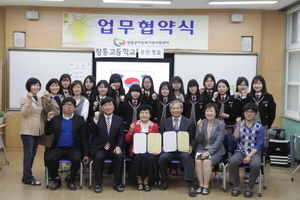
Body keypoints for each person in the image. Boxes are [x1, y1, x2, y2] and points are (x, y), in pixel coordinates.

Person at [44, 97, 89, 191]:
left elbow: (84, 138)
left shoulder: (79, 119)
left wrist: (86, 154)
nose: (69, 107)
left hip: (74, 148)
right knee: (49, 158)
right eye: (67, 105)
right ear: (62, 107)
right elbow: (47, 132)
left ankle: (71, 180)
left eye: (72, 105)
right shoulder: (56, 119)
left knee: (77, 159)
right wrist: (48, 120)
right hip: (58, 147)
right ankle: (56, 179)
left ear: (75, 107)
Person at [158, 100, 197, 197]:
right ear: (170, 110)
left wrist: (191, 146)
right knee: (162, 158)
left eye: (178, 108)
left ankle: (191, 184)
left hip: (183, 150)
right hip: (169, 150)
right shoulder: (164, 122)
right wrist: (161, 146)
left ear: (182, 109)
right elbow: (161, 137)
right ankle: (164, 180)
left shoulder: (189, 122)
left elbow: (194, 138)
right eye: (173, 108)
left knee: (187, 158)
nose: (176, 110)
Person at [89, 98, 125, 193]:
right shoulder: (96, 118)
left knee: (120, 156)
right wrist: (95, 120)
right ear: (102, 107)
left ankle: (117, 183)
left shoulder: (119, 119)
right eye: (105, 105)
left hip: (113, 147)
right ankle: (98, 184)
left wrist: (119, 146)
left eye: (110, 105)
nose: (108, 107)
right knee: (98, 157)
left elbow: (121, 136)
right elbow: (90, 131)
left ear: (114, 106)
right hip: (100, 147)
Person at [229, 103, 264, 198]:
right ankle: (236, 187)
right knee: (232, 162)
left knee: (256, 164)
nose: (249, 114)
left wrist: (249, 156)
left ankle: (249, 188)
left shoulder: (259, 127)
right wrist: (238, 126)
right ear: (243, 113)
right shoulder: (238, 124)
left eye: (251, 112)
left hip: (254, 153)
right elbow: (235, 139)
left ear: (256, 114)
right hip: (240, 151)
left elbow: (259, 145)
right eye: (247, 112)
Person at [125, 104, 160, 192]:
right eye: (142, 113)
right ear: (139, 114)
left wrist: (156, 149)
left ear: (150, 115)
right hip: (137, 150)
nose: (144, 115)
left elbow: (157, 139)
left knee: (151, 158)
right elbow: (128, 140)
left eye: (146, 113)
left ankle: (146, 181)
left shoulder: (154, 125)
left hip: (150, 150)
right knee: (137, 157)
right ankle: (139, 180)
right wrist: (131, 130)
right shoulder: (134, 124)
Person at [195, 103, 226, 195]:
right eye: (207, 111)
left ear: (216, 112)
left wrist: (209, 153)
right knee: (198, 161)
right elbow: (198, 140)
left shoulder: (221, 124)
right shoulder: (202, 122)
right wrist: (200, 129)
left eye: (211, 111)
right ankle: (200, 184)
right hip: (202, 148)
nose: (209, 113)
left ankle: (206, 185)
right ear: (204, 112)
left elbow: (218, 142)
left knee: (207, 162)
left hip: (216, 150)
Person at [20, 77, 44, 185]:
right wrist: (29, 100)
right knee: (28, 154)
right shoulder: (24, 97)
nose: (36, 87)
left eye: (38, 85)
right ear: (29, 86)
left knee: (33, 154)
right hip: (28, 130)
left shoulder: (38, 98)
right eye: (34, 85)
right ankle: (28, 177)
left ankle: (26, 175)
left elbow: (40, 115)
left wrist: (42, 130)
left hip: (37, 131)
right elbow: (25, 113)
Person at [40, 78, 64, 166]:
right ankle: (48, 172)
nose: (55, 87)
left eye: (57, 85)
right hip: (50, 126)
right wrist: (48, 99)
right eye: (52, 86)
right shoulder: (44, 98)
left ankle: (55, 170)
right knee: (48, 150)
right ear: (48, 87)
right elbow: (46, 109)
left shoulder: (61, 97)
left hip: (60, 126)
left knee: (57, 149)